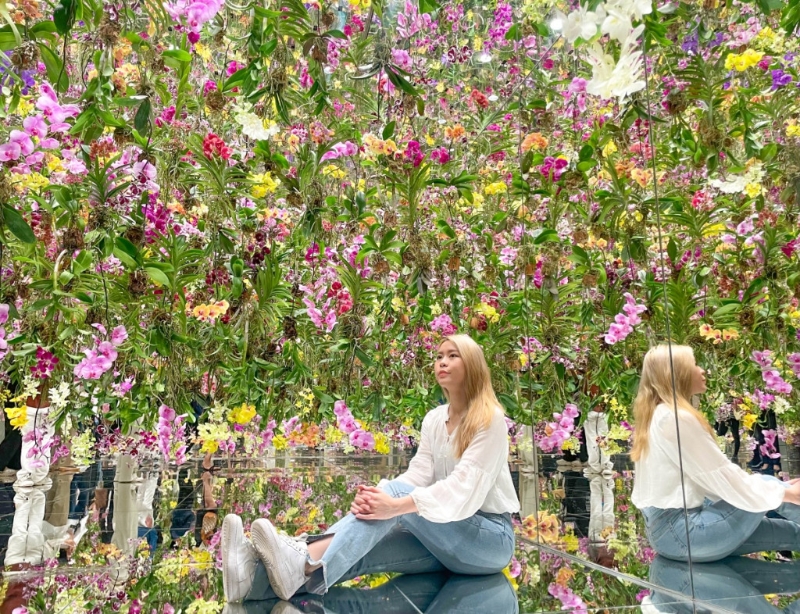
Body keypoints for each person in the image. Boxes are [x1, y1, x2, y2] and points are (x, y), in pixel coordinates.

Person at [220, 333, 520, 602]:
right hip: (445, 535)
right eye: (439, 356)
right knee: (359, 549)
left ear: (473, 365)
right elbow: (418, 474)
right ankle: (251, 581)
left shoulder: (489, 418)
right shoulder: (434, 419)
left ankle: (300, 554)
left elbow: (462, 488)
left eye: (453, 356)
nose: (442, 362)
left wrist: (394, 503)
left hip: (489, 542)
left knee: (393, 498)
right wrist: (379, 499)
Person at [631, 344, 800, 563]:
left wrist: (782, 491)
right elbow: (723, 475)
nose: (703, 370)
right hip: (685, 533)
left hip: (670, 536)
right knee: (769, 482)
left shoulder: (660, 414)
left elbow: (714, 482)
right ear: (678, 374)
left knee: (791, 533)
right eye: (694, 365)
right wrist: (785, 493)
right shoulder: (675, 418)